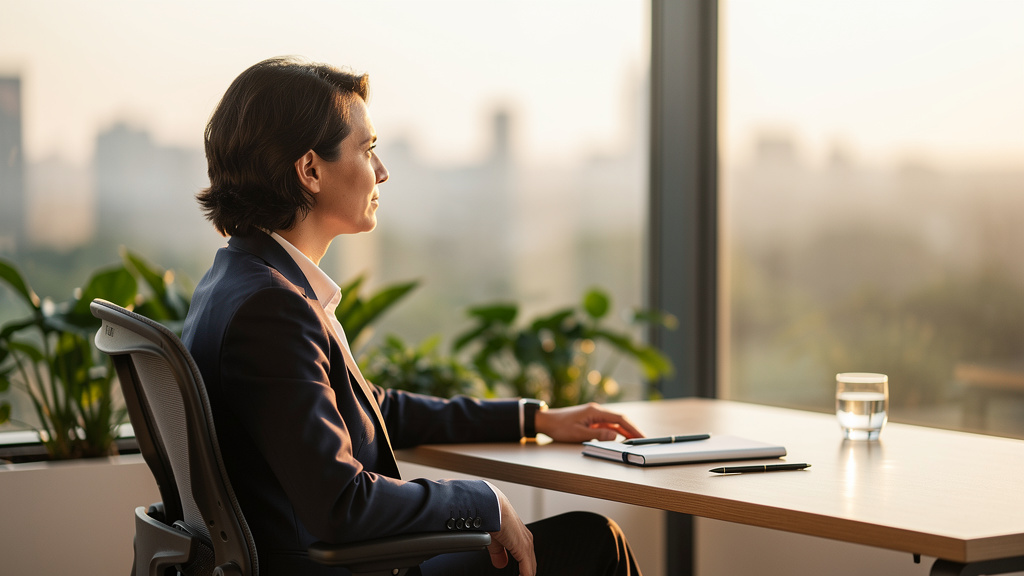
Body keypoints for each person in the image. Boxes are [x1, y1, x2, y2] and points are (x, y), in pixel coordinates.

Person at [182, 56, 646, 576]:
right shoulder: (272, 308)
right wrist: (483, 500)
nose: (382, 171)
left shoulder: (238, 279)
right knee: (592, 541)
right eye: (368, 149)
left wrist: (532, 418)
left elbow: (368, 407)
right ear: (310, 170)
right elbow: (342, 507)